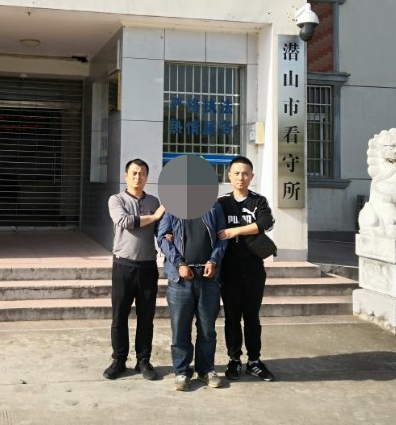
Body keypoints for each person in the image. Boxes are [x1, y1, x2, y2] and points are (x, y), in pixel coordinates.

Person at [104, 158, 166, 380]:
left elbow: (161, 229)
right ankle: (119, 360)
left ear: (147, 177)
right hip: (123, 265)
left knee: (146, 317)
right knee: (119, 316)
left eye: (142, 173)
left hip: (148, 266)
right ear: (126, 175)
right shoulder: (116, 199)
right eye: (134, 173)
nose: (138, 177)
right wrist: (155, 216)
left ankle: (143, 361)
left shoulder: (154, 201)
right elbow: (125, 221)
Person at [217, 156, 276, 382]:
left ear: (251, 176)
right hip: (229, 270)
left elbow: (264, 223)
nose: (241, 177)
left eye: (245, 173)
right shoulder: (222, 203)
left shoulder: (258, 201)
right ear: (229, 176)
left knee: (252, 317)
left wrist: (235, 231)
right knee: (232, 317)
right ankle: (234, 359)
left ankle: (254, 361)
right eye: (237, 173)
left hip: (253, 270)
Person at [157, 202, 227, 391]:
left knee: (207, 329)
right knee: (180, 328)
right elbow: (162, 238)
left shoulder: (214, 207)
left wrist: (213, 260)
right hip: (180, 278)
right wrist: (179, 263)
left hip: (208, 277)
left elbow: (222, 237)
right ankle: (181, 371)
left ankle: (206, 370)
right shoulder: (173, 206)